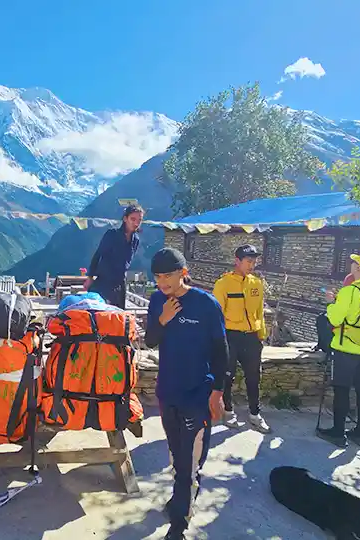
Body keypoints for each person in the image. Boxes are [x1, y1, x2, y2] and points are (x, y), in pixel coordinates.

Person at [145, 248, 229, 540]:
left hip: (198, 393)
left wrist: (218, 392)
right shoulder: (157, 301)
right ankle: (181, 500)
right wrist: (163, 320)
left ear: (183, 272)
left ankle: (179, 525)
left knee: (189, 462)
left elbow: (221, 352)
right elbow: (150, 341)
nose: (162, 282)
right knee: (175, 455)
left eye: (167, 275)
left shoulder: (206, 304)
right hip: (168, 391)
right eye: (157, 276)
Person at [316, 253, 360, 448]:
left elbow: (335, 318)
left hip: (347, 347)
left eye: (354, 264)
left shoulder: (351, 291)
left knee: (342, 389)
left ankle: (338, 433)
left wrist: (333, 303)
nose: (352, 266)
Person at [212, 244, 271, 433]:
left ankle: (255, 414)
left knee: (254, 377)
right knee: (228, 376)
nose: (251, 265)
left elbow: (259, 311)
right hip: (231, 336)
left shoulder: (256, 283)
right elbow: (216, 314)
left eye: (254, 261)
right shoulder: (224, 284)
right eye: (248, 261)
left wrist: (261, 334)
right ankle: (228, 412)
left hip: (252, 337)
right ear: (237, 261)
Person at [85, 204, 144, 308]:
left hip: (120, 283)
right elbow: (98, 254)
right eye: (133, 219)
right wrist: (90, 277)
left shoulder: (136, 240)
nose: (136, 223)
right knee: (100, 313)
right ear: (125, 219)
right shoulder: (112, 234)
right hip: (104, 281)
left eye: (139, 220)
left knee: (117, 315)